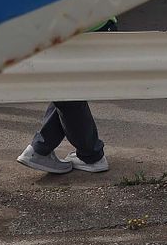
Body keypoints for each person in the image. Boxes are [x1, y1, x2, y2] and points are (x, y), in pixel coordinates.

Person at [15, 17, 117, 175]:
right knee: (67, 92)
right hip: (92, 26)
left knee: (67, 94)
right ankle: (42, 149)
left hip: (73, 30)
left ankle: (89, 155)